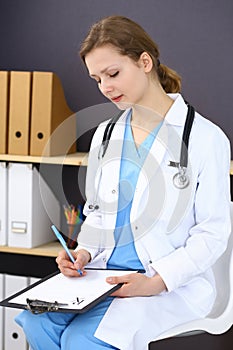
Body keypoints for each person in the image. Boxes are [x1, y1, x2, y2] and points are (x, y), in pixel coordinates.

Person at [15, 15, 231, 350]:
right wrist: (84, 252)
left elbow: (213, 233)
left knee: (80, 341)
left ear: (145, 62)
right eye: (97, 79)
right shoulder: (106, 135)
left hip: (166, 283)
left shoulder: (205, 139)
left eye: (113, 74)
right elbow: (98, 211)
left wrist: (156, 282)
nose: (106, 88)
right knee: (33, 320)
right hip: (101, 276)